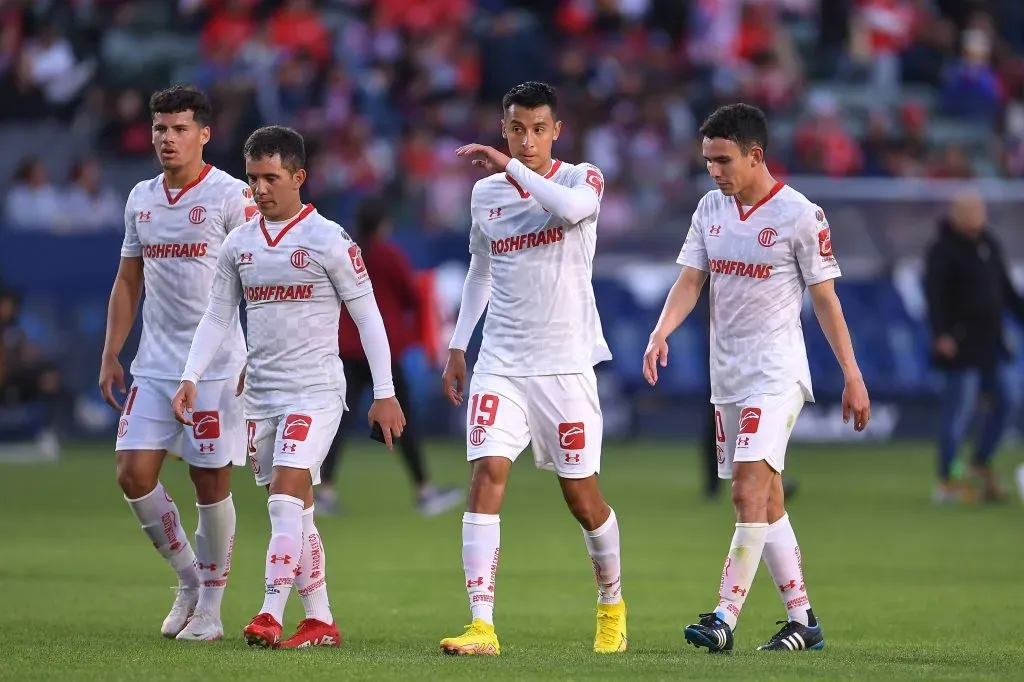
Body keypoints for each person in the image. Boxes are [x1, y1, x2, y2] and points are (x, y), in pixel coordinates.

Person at [644, 103, 871, 652]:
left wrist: (852, 374)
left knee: (748, 489)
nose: (714, 172)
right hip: (727, 375)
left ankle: (723, 618)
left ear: (755, 155)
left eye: (723, 161)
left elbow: (826, 302)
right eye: (707, 162)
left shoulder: (800, 215)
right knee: (764, 501)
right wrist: (661, 331)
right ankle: (803, 621)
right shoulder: (709, 209)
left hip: (777, 373)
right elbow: (691, 280)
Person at [172, 125, 406, 649]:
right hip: (259, 396)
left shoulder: (329, 239)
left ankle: (268, 613)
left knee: (283, 499)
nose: (259, 189)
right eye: (253, 178)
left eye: (270, 178)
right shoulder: (239, 242)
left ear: (299, 177)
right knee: (296, 511)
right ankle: (320, 619)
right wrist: (190, 375)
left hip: (316, 392)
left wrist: (385, 392)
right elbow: (217, 314)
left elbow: (368, 317)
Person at [438, 81, 627, 656]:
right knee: (486, 472)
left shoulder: (580, 178)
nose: (527, 140)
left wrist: (514, 171)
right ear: (504, 127)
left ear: (556, 131)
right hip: (502, 362)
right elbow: (480, 271)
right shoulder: (485, 196)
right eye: (517, 128)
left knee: (582, 497)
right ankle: (481, 626)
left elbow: (574, 211)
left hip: (565, 367)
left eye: (538, 128)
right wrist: (457, 346)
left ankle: (612, 605)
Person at [98, 85, 256, 642]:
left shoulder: (232, 197)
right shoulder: (140, 198)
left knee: (209, 482)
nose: (168, 138)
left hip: (216, 367)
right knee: (132, 473)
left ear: (205, 134)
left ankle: (212, 610)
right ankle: (189, 579)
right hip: (155, 365)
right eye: (161, 128)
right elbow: (128, 279)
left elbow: (260, 277)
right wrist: (112, 350)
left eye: (180, 128)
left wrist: (253, 352)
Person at [317, 197, 463, 517]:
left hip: (346, 347)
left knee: (337, 421)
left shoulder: (346, 253)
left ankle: (323, 489)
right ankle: (424, 490)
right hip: (380, 350)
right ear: (384, 224)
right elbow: (410, 297)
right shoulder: (388, 255)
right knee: (402, 418)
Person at [924, 189, 1023, 503]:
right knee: (958, 413)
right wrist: (941, 334)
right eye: (968, 211)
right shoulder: (943, 250)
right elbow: (934, 296)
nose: (975, 216)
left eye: (978, 210)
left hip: (991, 343)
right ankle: (948, 480)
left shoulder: (989, 245)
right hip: (960, 344)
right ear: (956, 215)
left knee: (1008, 401)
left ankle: (981, 462)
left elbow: (1006, 291)